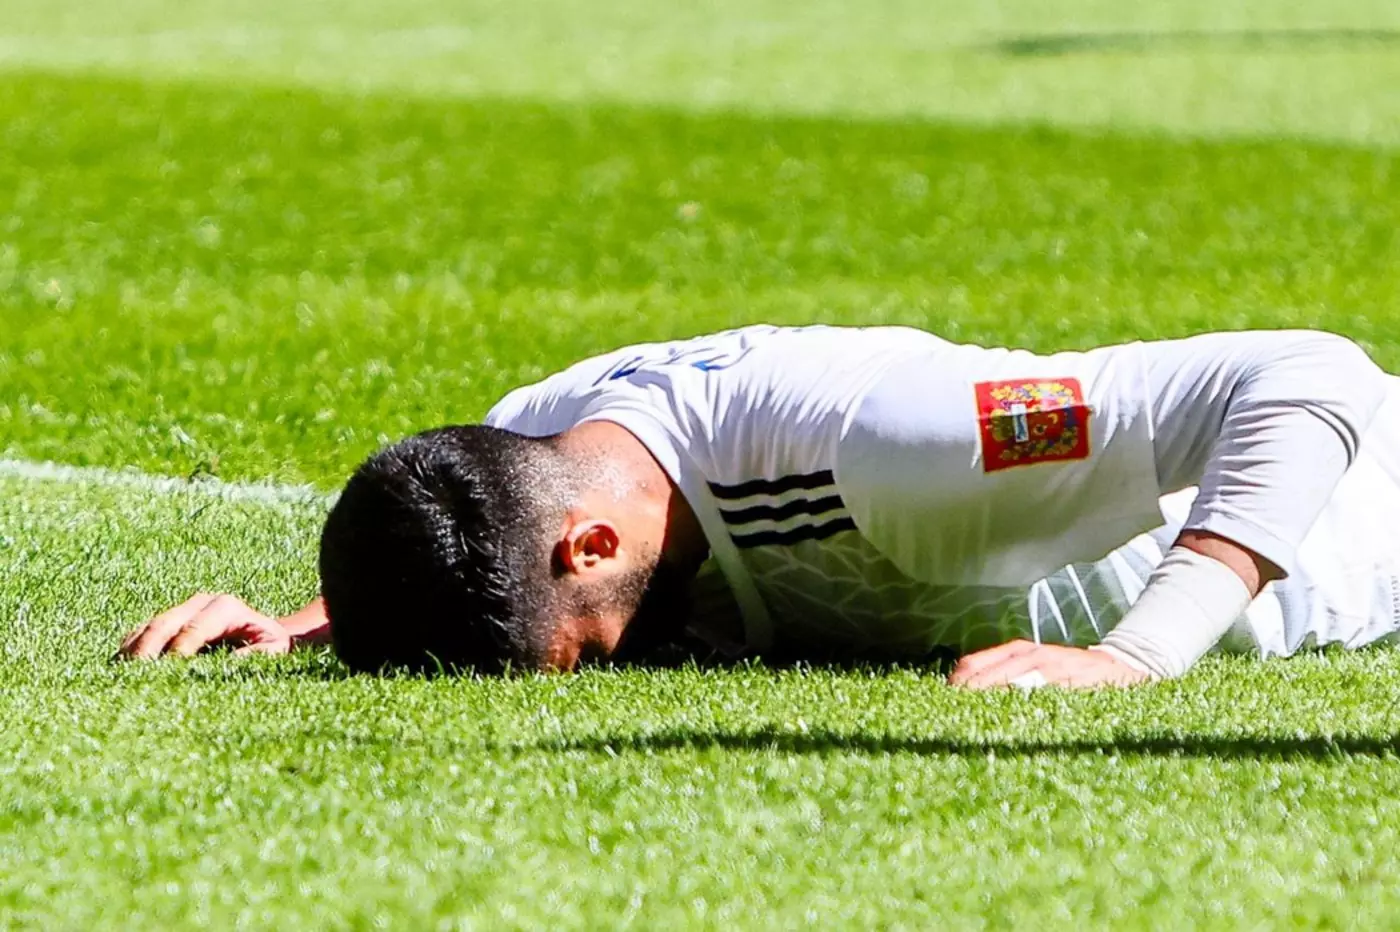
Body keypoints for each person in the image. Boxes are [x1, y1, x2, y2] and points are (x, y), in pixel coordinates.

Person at [117, 324, 1400, 688]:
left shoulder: (888, 447)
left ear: (594, 544)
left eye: (588, 653)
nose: (606, 670)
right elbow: (484, 520)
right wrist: (315, 620)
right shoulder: (541, 437)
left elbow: (1306, 378)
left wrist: (1132, 655)